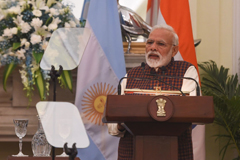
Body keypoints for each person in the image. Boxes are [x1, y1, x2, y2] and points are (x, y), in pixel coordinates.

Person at [108, 24, 199, 160]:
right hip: (132, 152)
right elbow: (113, 126)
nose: (153, 47)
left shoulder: (186, 72)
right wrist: (120, 124)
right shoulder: (131, 75)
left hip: (174, 151)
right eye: (150, 42)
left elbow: (194, 111)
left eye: (160, 44)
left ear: (174, 51)